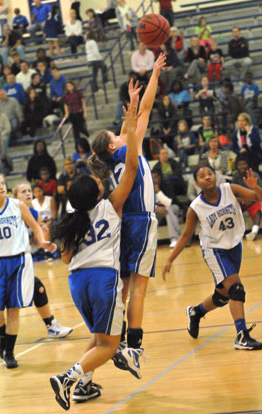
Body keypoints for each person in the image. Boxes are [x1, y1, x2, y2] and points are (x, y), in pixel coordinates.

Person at [49, 101, 139, 410]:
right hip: (103, 279)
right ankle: (68, 377)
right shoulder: (112, 204)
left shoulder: (73, 218)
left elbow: (64, 259)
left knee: (100, 339)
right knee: (111, 344)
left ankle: (84, 386)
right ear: (98, 192)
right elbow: (132, 166)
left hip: (77, 281)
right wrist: (131, 121)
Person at [89, 56, 166, 363]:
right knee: (139, 288)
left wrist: (152, 78)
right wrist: (153, 79)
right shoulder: (125, 149)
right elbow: (142, 114)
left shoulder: (119, 151)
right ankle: (132, 346)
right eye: (116, 134)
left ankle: (113, 337)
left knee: (124, 287)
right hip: (142, 221)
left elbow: (142, 111)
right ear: (112, 146)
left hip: (127, 225)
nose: (120, 132)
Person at [163, 165, 262, 351]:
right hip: (215, 250)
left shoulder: (229, 189)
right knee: (236, 289)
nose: (207, 177)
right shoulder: (195, 208)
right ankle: (242, 336)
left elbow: (258, 198)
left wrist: (255, 187)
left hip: (234, 245)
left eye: (209, 173)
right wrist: (170, 259)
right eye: (202, 176)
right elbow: (185, 236)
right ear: (196, 182)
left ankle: (196, 312)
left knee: (224, 295)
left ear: (215, 176)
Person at [0, 173, 56, 368]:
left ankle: (9, 352)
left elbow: (35, 226)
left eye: (3, 183)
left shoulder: (17, 205)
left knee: (13, 309)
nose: (1, 187)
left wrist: (42, 241)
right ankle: (3, 336)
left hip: (19, 260)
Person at [13, 182, 73, 338]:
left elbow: (38, 243)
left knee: (37, 288)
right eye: (23, 191)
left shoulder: (34, 213)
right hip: (4, 261)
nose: (28, 193)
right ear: (15, 198)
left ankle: (51, 325)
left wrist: (43, 232)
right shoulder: (11, 213)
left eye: (29, 191)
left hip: (22, 260)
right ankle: (51, 325)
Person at [232, 155, 261, 241]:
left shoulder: (254, 174)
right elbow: (233, 192)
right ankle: (234, 234)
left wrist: (251, 200)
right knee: (231, 208)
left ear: (247, 165)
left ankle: (254, 232)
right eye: (240, 164)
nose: (242, 166)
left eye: (244, 164)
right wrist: (238, 199)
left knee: (258, 210)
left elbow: (260, 191)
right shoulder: (235, 176)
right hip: (241, 201)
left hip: (253, 200)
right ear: (237, 166)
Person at [153, 169, 181, 248]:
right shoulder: (149, 187)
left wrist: (158, 191)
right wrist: (156, 208)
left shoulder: (166, 184)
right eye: (152, 178)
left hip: (173, 207)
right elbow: (148, 203)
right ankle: (149, 241)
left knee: (168, 209)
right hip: (158, 210)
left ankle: (174, 238)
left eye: (155, 177)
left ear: (159, 177)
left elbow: (169, 202)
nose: (154, 180)